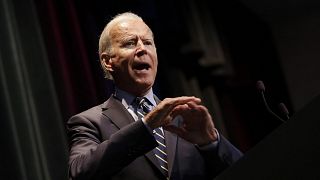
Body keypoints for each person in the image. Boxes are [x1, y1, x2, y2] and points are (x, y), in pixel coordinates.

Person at [67, 12, 243, 180]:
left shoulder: (186, 118)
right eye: (130, 43)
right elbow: (80, 173)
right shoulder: (89, 122)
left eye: (148, 42)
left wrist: (211, 143)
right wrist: (146, 125)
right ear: (108, 61)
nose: (142, 49)